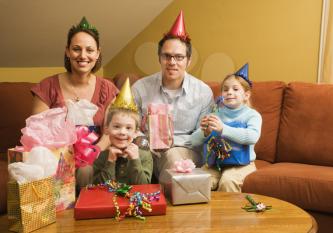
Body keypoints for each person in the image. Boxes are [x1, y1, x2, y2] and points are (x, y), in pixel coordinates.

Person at [30, 17, 118, 189]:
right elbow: (37, 133)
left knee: (86, 170)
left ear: (98, 53)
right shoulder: (47, 87)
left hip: (96, 157)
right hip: (57, 157)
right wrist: (66, 154)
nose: (83, 55)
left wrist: (93, 151)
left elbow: (111, 131)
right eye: (76, 49)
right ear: (67, 51)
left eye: (89, 50)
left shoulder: (108, 89)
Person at [132, 11, 214, 180]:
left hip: (185, 150)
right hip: (147, 148)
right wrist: (145, 143)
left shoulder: (203, 92)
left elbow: (202, 134)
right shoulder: (140, 88)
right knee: (133, 156)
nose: (172, 62)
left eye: (179, 57)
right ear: (159, 58)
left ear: (188, 60)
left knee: (172, 157)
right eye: (167, 56)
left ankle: (167, 205)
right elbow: (130, 125)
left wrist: (172, 144)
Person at [191, 63, 262, 192]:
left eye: (235, 89)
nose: (229, 92)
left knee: (228, 181)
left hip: (241, 164)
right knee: (198, 181)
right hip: (214, 164)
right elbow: (193, 141)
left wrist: (223, 129)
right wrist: (205, 132)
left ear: (246, 95)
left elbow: (252, 137)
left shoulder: (252, 115)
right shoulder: (214, 114)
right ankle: (202, 212)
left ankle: (225, 212)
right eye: (225, 89)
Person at [93, 78, 153, 184]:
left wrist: (135, 160)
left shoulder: (144, 155)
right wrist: (110, 161)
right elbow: (99, 188)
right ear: (106, 129)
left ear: (136, 132)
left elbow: (144, 186)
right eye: (116, 126)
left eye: (128, 128)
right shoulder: (102, 156)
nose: (122, 132)